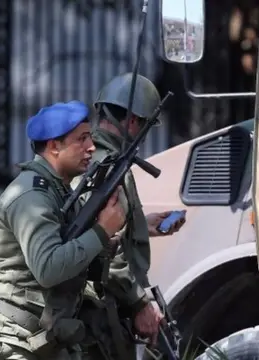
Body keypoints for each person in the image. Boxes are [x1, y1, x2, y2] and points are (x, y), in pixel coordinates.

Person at [0, 100, 126, 360]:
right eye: (82, 139)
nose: (91, 147)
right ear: (54, 146)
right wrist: (100, 231)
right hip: (10, 344)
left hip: (42, 340)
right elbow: (49, 269)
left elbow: (75, 262)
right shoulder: (32, 196)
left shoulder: (61, 191)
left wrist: (105, 243)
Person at [76, 73, 187, 360]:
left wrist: (143, 225)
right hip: (98, 306)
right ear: (134, 122)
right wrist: (139, 303)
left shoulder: (97, 159)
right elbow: (106, 247)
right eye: (145, 126)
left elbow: (107, 226)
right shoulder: (108, 168)